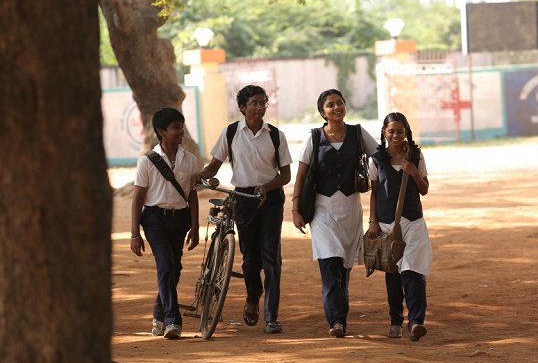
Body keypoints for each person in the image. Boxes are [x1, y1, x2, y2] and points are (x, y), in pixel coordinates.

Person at [193, 85, 292, 334]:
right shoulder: (231, 133)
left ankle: (271, 317)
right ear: (242, 107)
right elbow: (214, 165)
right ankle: (252, 297)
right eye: (254, 103)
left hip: (270, 200)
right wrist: (206, 176)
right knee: (249, 261)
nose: (259, 107)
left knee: (271, 259)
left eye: (263, 103)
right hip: (243, 199)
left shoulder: (276, 135)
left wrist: (266, 187)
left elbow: (286, 175)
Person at [292, 89, 379, 337]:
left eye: (340, 103)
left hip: (351, 208)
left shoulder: (358, 133)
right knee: (329, 263)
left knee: (344, 267)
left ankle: (339, 313)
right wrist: (296, 208)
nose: (336, 108)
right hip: (322, 209)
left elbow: (380, 158)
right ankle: (337, 321)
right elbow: (300, 176)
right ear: (323, 112)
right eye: (330, 105)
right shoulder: (314, 138)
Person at [130, 107, 200, 340]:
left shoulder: (189, 160)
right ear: (162, 132)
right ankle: (172, 320)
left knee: (174, 268)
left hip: (180, 220)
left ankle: (158, 314)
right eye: (175, 127)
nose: (181, 131)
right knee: (166, 265)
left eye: (182, 126)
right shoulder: (147, 161)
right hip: (154, 220)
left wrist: (195, 227)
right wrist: (134, 234)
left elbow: (192, 195)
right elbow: (138, 197)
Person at [366, 112, 432, 342]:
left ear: (407, 133)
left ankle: (416, 322)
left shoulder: (416, 155)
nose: (395, 135)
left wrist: (413, 171)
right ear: (384, 132)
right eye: (391, 131)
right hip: (385, 224)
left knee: (413, 271)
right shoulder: (376, 160)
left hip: (413, 221)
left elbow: (424, 189)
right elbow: (374, 193)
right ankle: (395, 321)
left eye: (400, 131)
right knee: (393, 275)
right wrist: (372, 221)